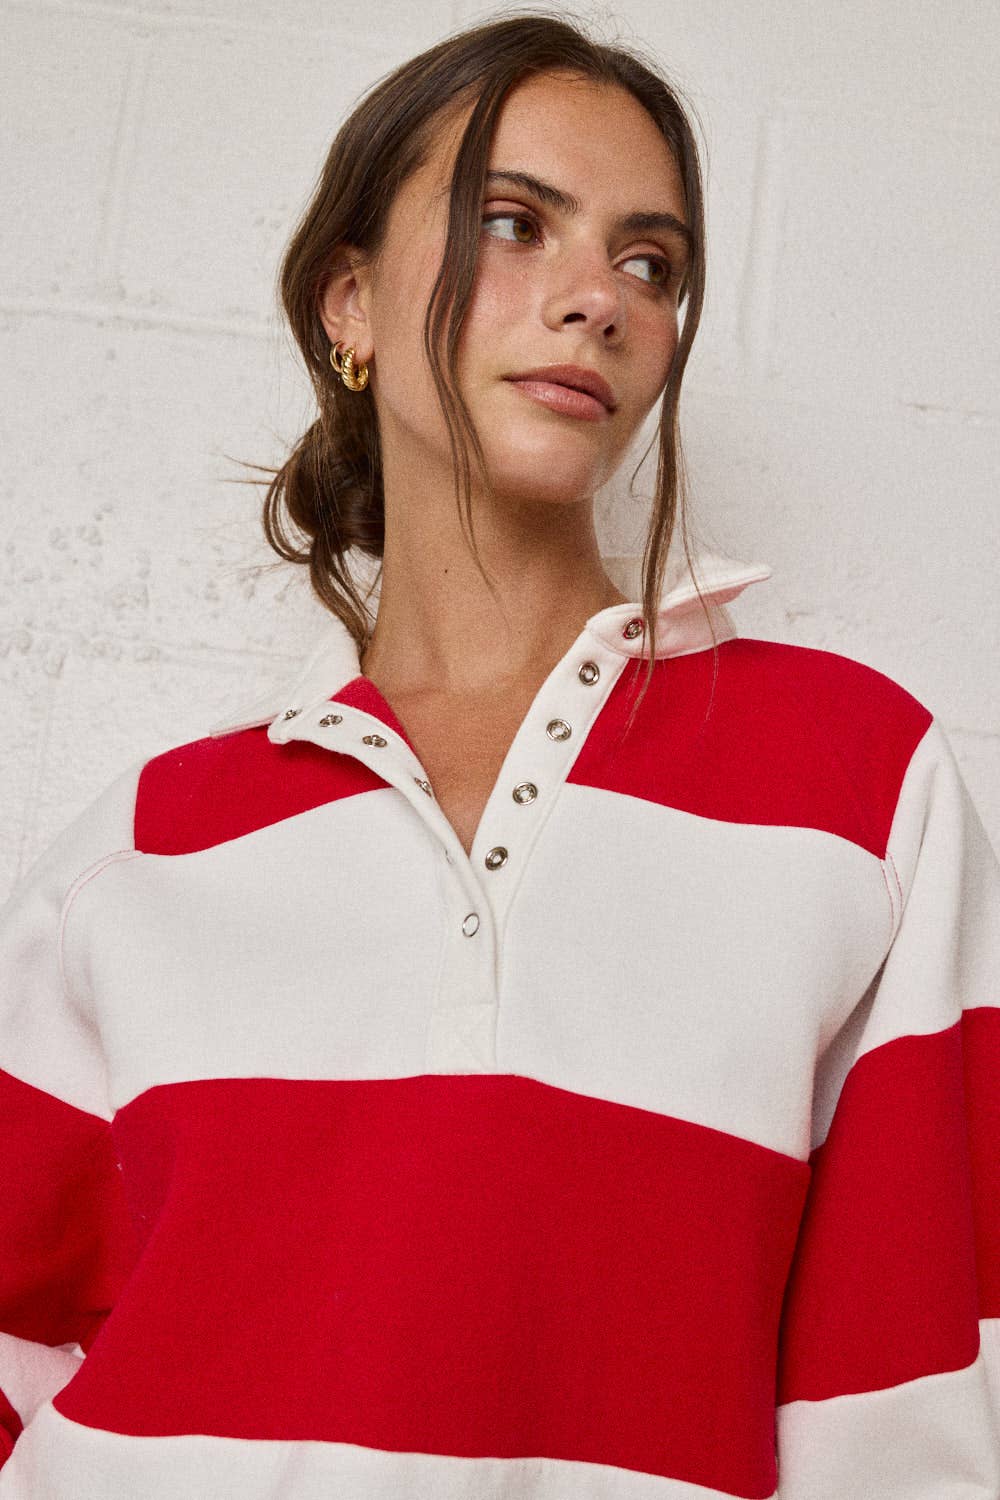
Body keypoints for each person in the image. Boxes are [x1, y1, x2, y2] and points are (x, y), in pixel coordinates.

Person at [0, 11, 997, 1499]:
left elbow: (909, 1410)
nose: (597, 299)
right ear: (350, 302)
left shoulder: (858, 784)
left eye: (650, 263)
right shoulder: (140, 846)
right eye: (516, 224)